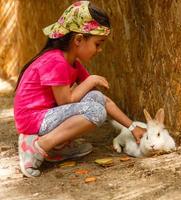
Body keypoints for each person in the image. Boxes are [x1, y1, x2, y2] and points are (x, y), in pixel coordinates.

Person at [14, 1, 145, 178]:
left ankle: (58, 146)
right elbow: (65, 101)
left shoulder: (73, 63)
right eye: (98, 44)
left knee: (96, 98)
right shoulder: (56, 61)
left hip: (46, 116)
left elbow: (102, 100)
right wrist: (91, 80)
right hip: (33, 119)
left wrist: (132, 127)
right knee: (95, 111)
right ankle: (38, 146)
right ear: (78, 40)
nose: (99, 50)